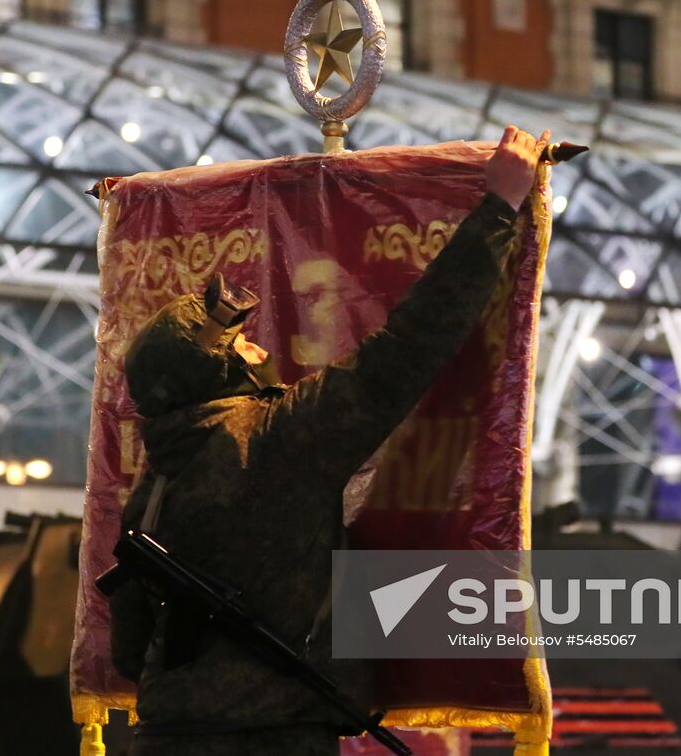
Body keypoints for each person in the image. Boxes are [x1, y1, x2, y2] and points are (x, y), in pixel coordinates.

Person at [110, 126, 551, 755]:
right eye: (239, 343)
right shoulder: (276, 437)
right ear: (215, 371)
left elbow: (129, 651)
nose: (257, 346)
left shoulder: (148, 493)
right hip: (273, 741)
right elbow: (408, 347)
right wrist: (498, 209)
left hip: (161, 739)